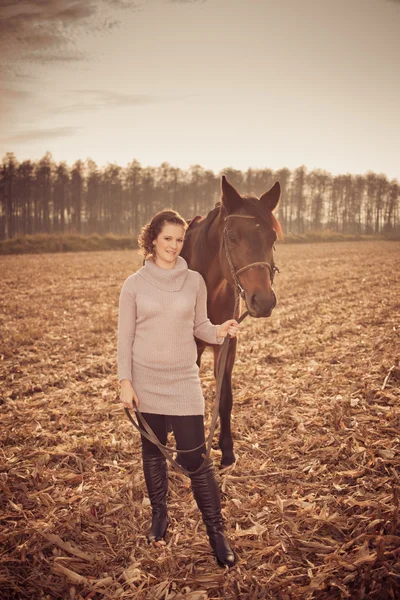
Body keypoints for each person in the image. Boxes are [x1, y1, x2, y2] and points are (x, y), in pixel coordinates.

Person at [117, 209, 240, 568]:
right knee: (153, 452)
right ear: (153, 239)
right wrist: (125, 382)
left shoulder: (194, 281)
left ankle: (216, 533)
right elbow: (124, 339)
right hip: (145, 381)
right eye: (167, 238)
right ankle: (159, 516)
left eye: (179, 239)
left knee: (196, 461)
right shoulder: (134, 284)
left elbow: (200, 325)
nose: (173, 246)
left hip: (183, 381)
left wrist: (219, 330)